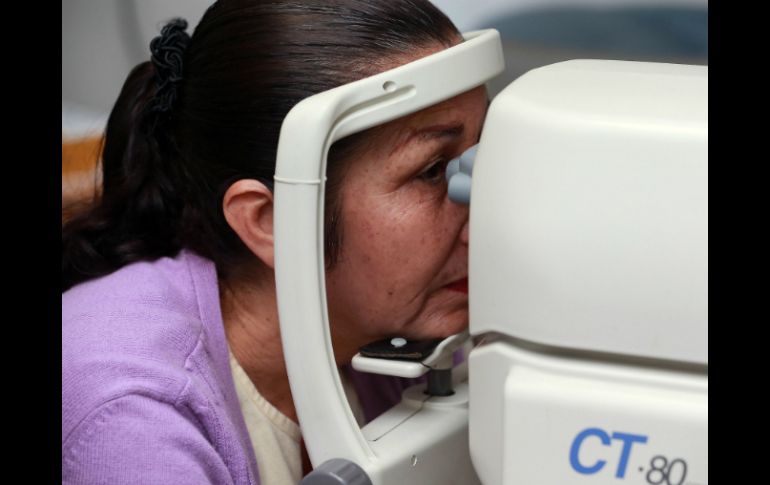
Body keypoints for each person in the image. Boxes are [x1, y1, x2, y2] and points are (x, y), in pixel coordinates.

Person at [62, 0, 488, 483]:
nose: (482, 222)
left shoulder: (392, 335)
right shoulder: (131, 419)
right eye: (431, 171)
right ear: (271, 221)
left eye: (479, 154)